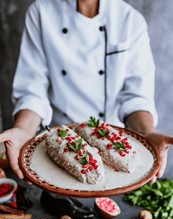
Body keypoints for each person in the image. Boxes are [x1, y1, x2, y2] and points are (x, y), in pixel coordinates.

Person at [0, 0, 173, 185]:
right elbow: (32, 91)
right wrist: (23, 129)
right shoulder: (42, 12)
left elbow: (136, 97)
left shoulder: (130, 20)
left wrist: (146, 133)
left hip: (113, 155)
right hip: (57, 145)